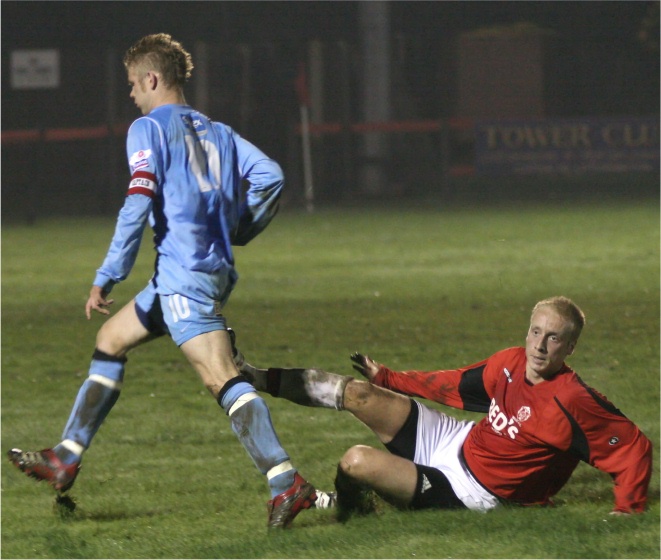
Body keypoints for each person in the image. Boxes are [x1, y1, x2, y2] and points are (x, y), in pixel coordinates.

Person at [7, 33, 317, 529]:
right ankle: (65, 456)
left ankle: (287, 483)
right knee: (111, 339)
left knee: (221, 377)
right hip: (198, 270)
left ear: (152, 79)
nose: (131, 94)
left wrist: (108, 275)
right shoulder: (218, 130)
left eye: (133, 84)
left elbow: (137, 203)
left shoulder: (147, 128)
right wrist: (240, 227)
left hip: (184, 278)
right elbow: (272, 177)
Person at [234, 296, 653, 516]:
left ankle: (346, 509)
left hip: (473, 491)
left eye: (554, 338)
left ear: (571, 347)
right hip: (456, 440)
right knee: (357, 393)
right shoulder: (509, 362)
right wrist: (387, 379)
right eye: (536, 332)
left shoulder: (571, 400)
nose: (540, 346)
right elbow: (451, 383)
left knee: (355, 462)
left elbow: (634, 449)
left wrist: (627, 509)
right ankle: (253, 376)